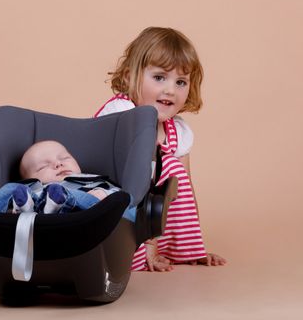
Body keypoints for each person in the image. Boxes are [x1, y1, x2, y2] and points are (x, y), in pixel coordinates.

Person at [95, 27, 227, 271]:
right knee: (154, 166)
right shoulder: (122, 114)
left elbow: (183, 189)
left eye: (180, 82)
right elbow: (133, 183)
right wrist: (149, 247)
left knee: (173, 169)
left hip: (148, 217)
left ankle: (179, 248)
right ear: (128, 77)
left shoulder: (178, 131)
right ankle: (140, 250)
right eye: (159, 78)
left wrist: (195, 247)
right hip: (112, 208)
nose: (170, 90)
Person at [0, 140, 135, 221]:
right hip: (34, 216)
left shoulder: (91, 181)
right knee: (11, 189)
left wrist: (102, 194)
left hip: (84, 217)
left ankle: (59, 201)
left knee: (120, 199)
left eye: (64, 158)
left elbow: (126, 202)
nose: (58, 164)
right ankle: (20, 208)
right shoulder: (32, 186)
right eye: (43, 166)